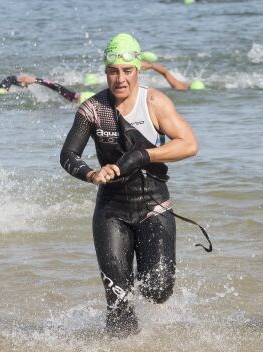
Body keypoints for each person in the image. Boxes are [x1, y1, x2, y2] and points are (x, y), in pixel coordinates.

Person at [60, 33, 199, 336]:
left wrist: (144, 155)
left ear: (137, 70)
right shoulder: (92, 109)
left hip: (154, 205)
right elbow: (68, 154)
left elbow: (189, 144)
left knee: (158, 290)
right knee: (117, 301)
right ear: (106, 71)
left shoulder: (154, 102)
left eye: (126, 71)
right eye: (113, 71)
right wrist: (91, 174)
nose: (120, 79)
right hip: (111, 209)